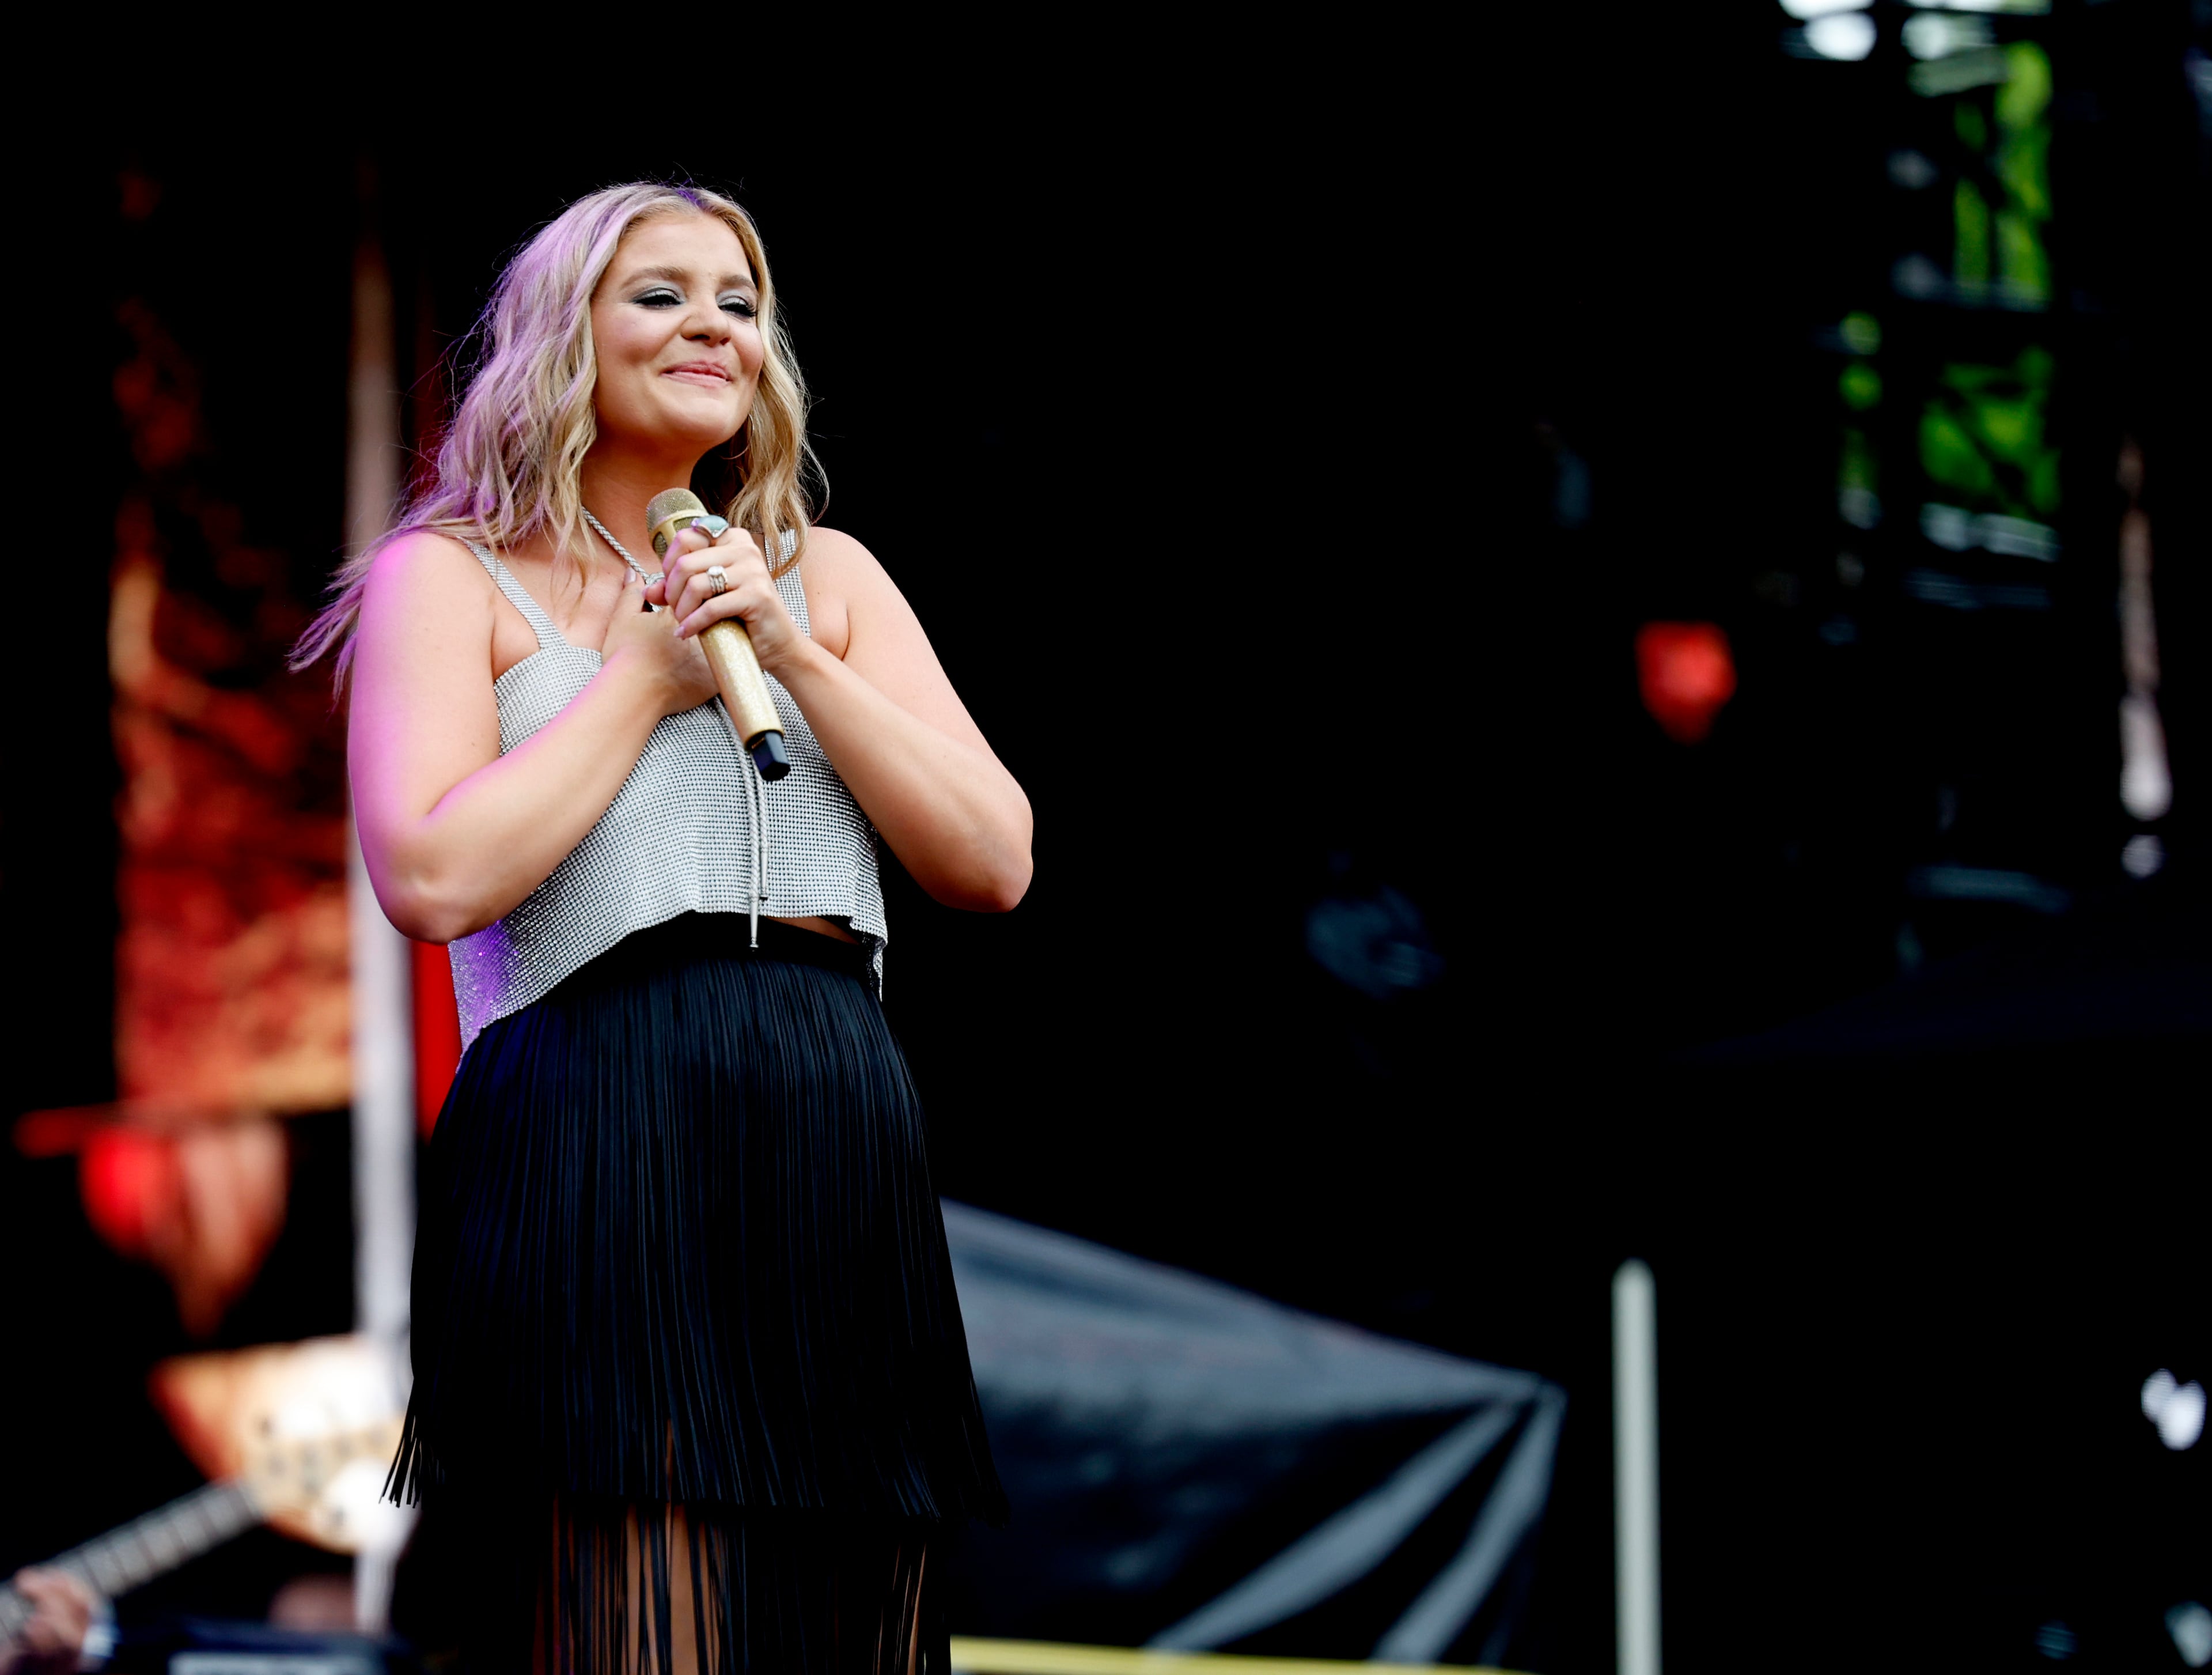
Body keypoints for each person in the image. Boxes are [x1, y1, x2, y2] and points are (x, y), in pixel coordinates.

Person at [294, 182, 1028, 1673]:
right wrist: (638, 676)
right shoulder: (452, 574)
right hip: (597, 1097)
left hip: (829, 1101)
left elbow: (994, 857)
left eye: (740, 300)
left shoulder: (830, 576)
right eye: (663, 293)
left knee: (849, 1596)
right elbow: (431, 877)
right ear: (563, 338)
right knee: (641, 1596)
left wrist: (789, 651)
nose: (713, 324)